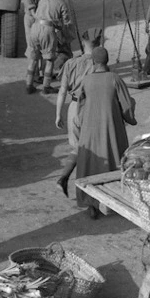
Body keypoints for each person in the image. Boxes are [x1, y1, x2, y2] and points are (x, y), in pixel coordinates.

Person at [75, 46, 137, 219]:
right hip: (112, 128)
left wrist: (82, 125)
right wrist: (131, 118)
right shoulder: (114, 79)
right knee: (114, 159)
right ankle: (114, 200)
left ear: (93, 62)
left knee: (91, 162)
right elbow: (126, 105)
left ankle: (91, 203)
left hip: (90, 130)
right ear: (107, 60)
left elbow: (79, 106)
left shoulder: (86, 80)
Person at [54, 27, 103, 197]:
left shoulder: (70, 63)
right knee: (92, 153)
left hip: (73, 108)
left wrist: (58, 114)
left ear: (83, 43)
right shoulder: (99, 65)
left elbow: (61, 91)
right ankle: (89, 198)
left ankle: (64, 177)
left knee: (77, 149)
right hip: (91, 108)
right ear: (99, 44)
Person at [26, 0, 73, 95]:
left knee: (33, 58)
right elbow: (65, 23)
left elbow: (37, 13)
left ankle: (29, 85)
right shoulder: (63, 2)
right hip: (47, 30)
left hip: (35, 27)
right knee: (50, 60)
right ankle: (46, 86)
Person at [22, 0, 51, 82]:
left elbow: (49, 3)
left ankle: (41, 72)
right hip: (31, 20)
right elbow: (33, 12)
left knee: (42, 47)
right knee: (32, 47)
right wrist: (42, 21)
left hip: (42, 21)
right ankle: (32, 75)